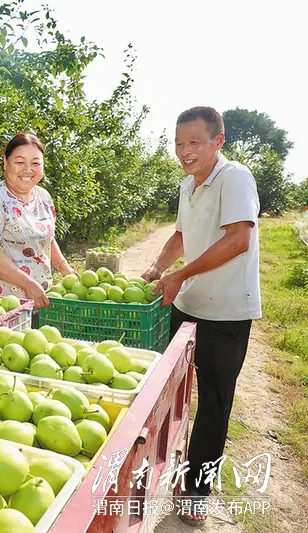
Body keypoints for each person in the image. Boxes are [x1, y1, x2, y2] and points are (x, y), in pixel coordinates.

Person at [142, 106, 261, 526]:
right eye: (178, 144)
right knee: (170, 389)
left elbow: (239, 239)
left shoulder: (234, 178)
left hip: (226, 312)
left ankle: (195, 490)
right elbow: (180, 234)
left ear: (218, 141)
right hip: (187, 305)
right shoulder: (188, 186)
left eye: (194, 142)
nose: (185, 151)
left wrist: (181, 274)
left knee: (213, 400)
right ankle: (169, 458)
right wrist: (160, 266)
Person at [0, 132, 76, 309]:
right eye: (19, 162)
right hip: (0, 306)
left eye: (35, 163)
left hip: (39, 300)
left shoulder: (43, 197)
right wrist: (28, 284)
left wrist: (64, 267)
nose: (28, 170)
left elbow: (46, 238)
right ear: (5, 163)